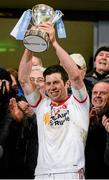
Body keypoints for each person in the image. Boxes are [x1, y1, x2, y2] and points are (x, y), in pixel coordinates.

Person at [18, 21, 89, 180]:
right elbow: (23, 79)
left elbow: (76, 75)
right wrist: (32, 41)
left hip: (70, 172)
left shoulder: (79, 103)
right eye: (48, 83)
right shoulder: (42, 104)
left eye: (56, 82)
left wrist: (54, 43)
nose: (52, 87)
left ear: (66, 83)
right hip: (42, 172)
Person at [85, 81, 109, 179]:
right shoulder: (84, 116)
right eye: (95, 93)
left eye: (102, 93)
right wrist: (86, 126)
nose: (98, 96)